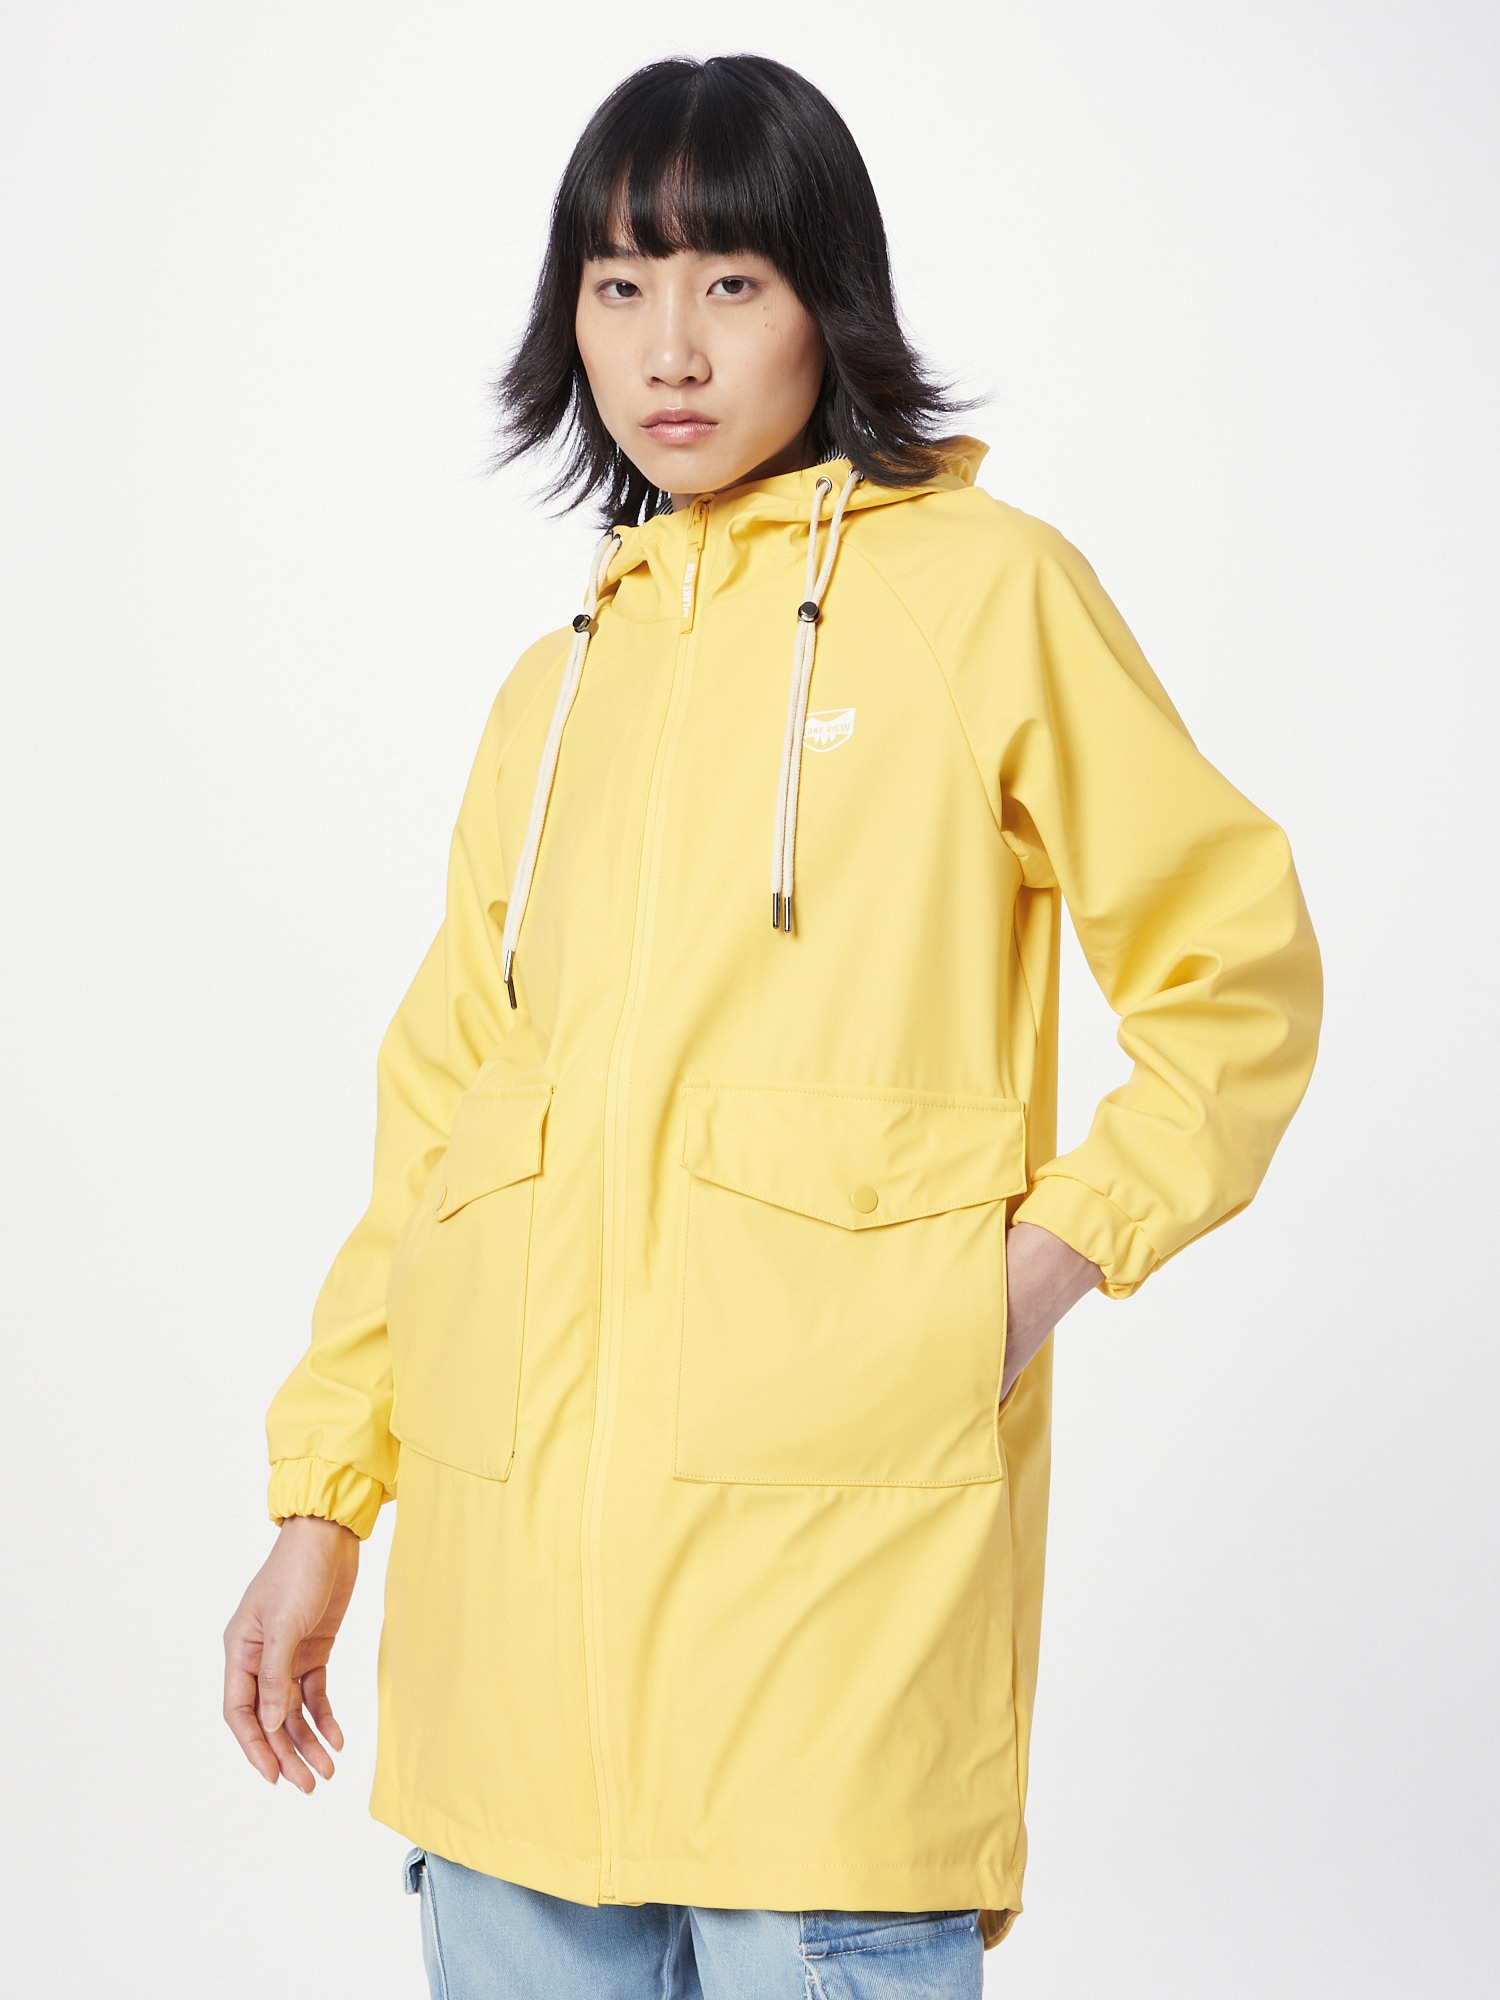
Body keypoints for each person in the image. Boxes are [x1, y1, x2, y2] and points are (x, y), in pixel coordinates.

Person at [222, 53, 1322, 2000]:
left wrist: (1032, 1272)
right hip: (504, 1691)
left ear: (830, 298)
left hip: (826, 1651)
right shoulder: (551, 694)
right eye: (620, 284)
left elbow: (1234, 973)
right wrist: (325, 1501)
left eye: (731, 281)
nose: (671, 346)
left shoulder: (988, 598)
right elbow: (442, 1130)